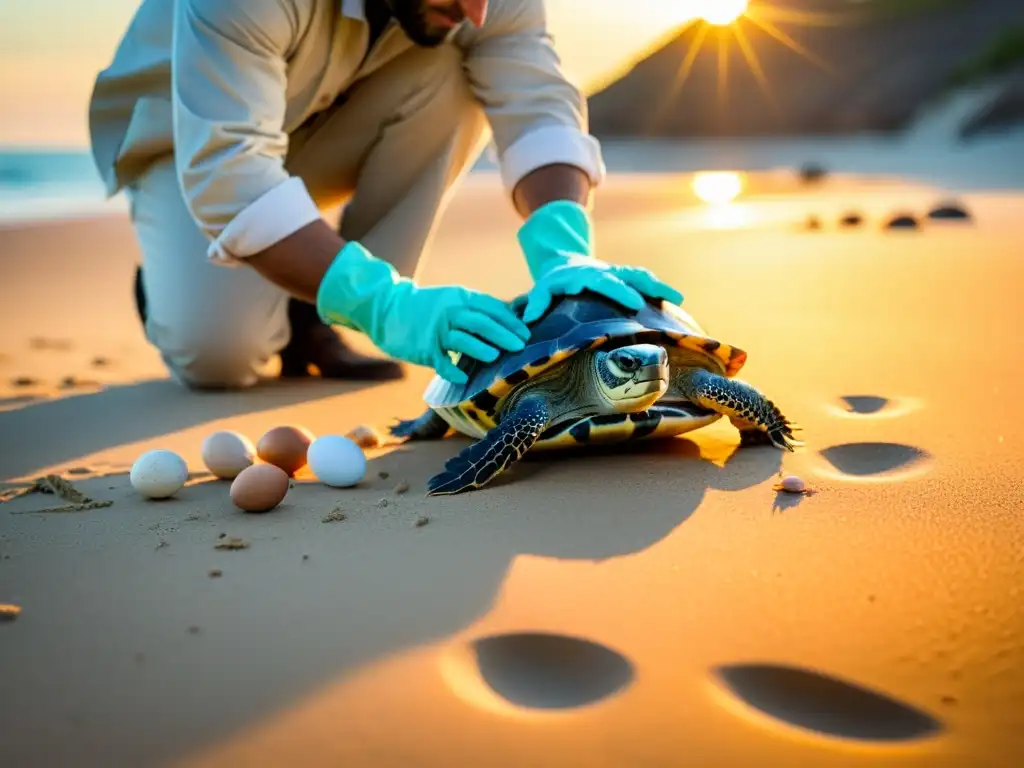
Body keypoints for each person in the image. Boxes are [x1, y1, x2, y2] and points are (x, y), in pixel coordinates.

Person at [88, 0, 684, 389]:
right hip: (191, 136)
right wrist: (389, 308)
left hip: (337, 113)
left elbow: (538, 109)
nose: (476, 10)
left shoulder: (475, 6)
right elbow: (230, 171)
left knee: (458, 70)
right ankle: (181, 288)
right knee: (218, 359)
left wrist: (566, 247)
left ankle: (314, 305)